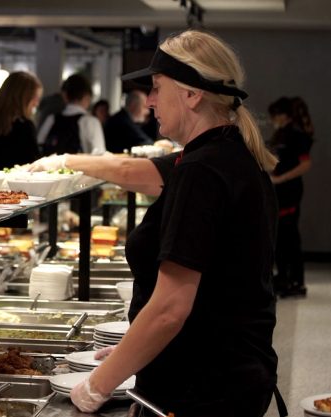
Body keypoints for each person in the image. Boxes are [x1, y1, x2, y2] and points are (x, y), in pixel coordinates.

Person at [30, 29, 285, 417]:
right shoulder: (228, 153)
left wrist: (97, 385)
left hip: (205, 386)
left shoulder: (203, 170)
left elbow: (170, 308)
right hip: (227, 372)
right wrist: (136, 350)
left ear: (192, 94)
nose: (149, 101)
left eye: (156, 87)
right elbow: (218, 290)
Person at [267, 96, 313, 297]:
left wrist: (281, 178)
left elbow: (305, 164)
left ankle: (296, 281)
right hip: (279, 191)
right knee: (280, 236)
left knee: (290, 236)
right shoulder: (281, 135)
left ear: (284, 115)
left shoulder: (297, 135)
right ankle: (283, 276)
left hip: (290, 191)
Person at [37, 73, 106, 155]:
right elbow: (100, 155)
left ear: (65, 95)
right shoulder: (91, 122)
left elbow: (39, 146)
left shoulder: (51, 119)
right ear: (87, 96)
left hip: (53, 163)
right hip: (79, 163)